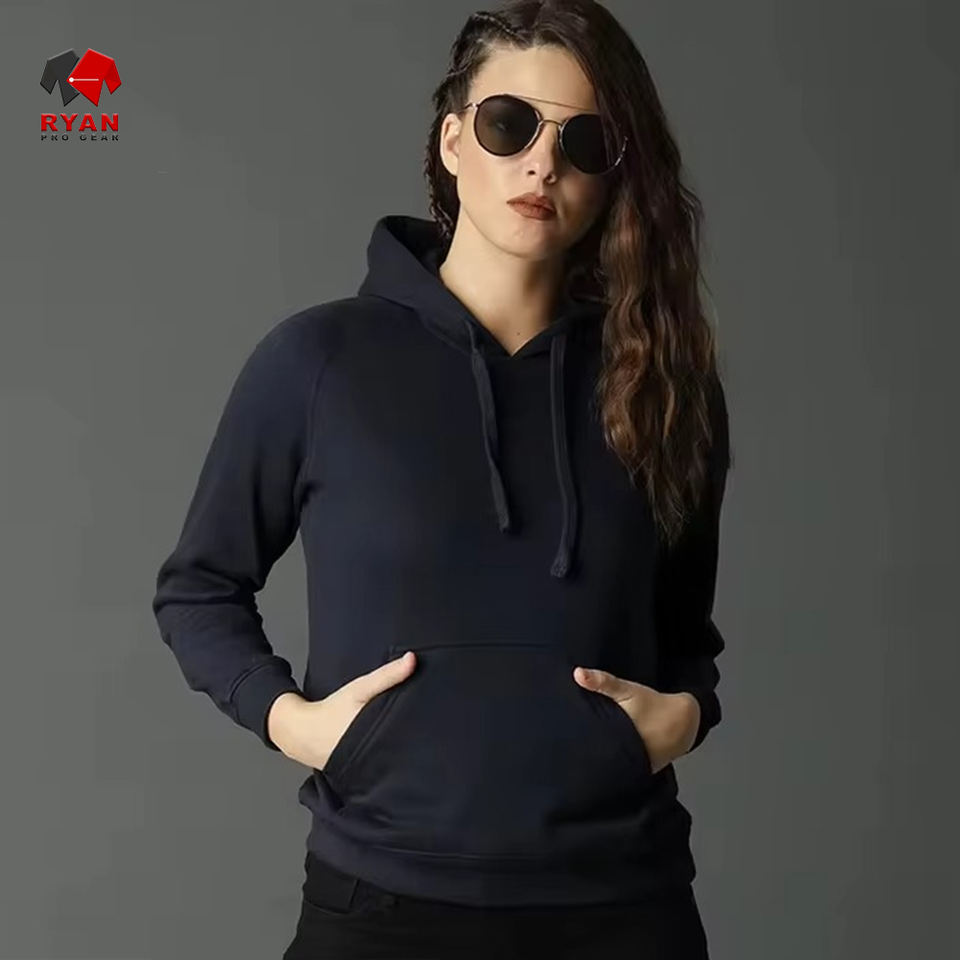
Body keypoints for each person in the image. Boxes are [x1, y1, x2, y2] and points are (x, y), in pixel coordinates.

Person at [151, 1, 733, 957]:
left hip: (625, 907)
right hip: (381, 906)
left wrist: (686, 714)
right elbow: (199, 587)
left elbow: (682, 630)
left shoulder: (661, 383)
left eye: (583, 141)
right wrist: (291, 721)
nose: (542, 165)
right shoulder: (320, 362)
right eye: (511, 125)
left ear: (612, 175)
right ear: (454, 141)